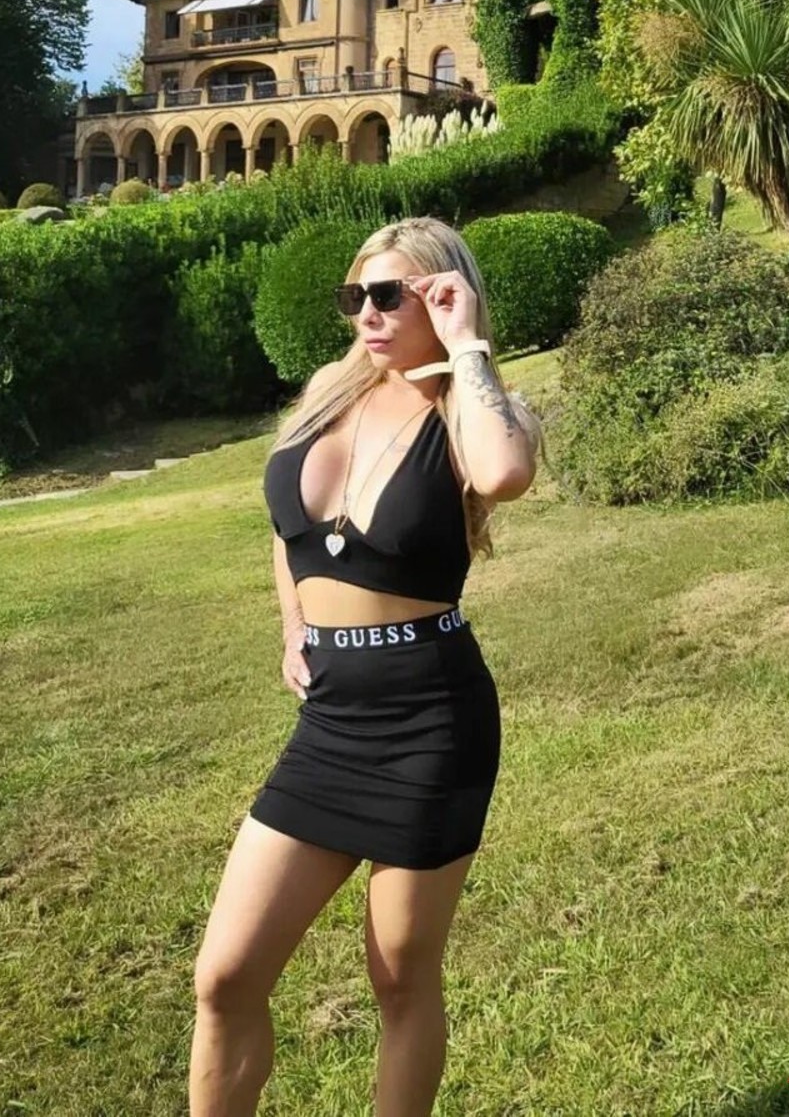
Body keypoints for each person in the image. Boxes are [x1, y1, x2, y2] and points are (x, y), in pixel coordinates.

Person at [188, 216, 542, 1116]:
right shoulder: (327, 392)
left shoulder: (469, 408)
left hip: (430, 720)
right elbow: (288, 529)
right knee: (224, 975)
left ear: (445, 295)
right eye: (357, 295)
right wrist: (292, 624)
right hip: (330, 724)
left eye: (391, 295)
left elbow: (504, 476)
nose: (368, 314)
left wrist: (466, 346)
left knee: (399, 977)